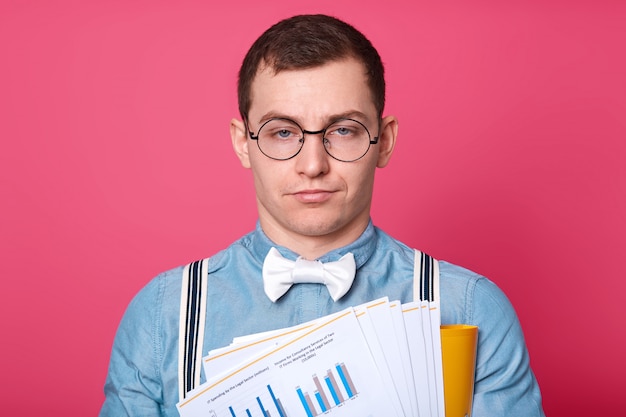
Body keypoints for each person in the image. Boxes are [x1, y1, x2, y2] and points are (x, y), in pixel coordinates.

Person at [100, 14, 545, 417]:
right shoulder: (162, 315)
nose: (312, 164)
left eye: (344, 130)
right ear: (243, 142)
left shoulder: (470, 307)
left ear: (384, 140)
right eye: (282, 132)